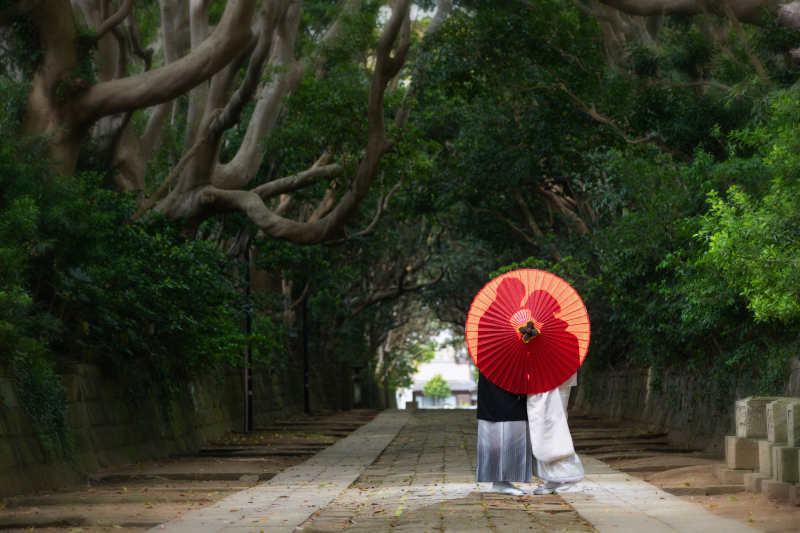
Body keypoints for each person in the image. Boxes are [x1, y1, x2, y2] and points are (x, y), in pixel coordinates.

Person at [475, 370, 532, 496]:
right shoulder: (499, 354)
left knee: (505, 436)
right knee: (504, 437)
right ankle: (500, 481)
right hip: (504, 394)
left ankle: (503, 481)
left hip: (499, 394)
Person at [527, 371, 585, 494]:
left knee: (556, 427)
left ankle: (572, 476)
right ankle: (554, 478)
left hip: (558, 373)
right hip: (540, 375)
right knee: (544, 428)